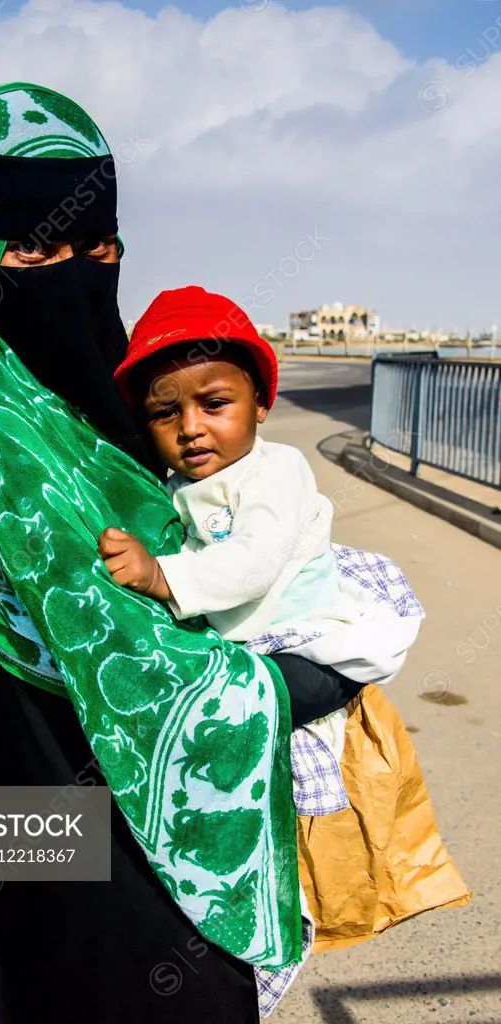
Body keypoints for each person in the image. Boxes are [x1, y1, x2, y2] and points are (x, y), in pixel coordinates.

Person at [0, 84, 468, 1024]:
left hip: (58, 795)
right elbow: (135, 665)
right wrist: (321, 673)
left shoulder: (107, 387)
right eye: (37, 250)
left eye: (98, 248)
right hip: (81, 788)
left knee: (35, 981)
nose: (75, 272)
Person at [101, 286, 423, 760]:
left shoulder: (276, 470)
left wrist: (159, 575)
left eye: (214, 405)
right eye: (166, 413)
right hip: (249, 641)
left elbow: (253, 562)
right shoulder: (177, 487)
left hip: (304, 643)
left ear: (260, 404)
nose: (190, 427)